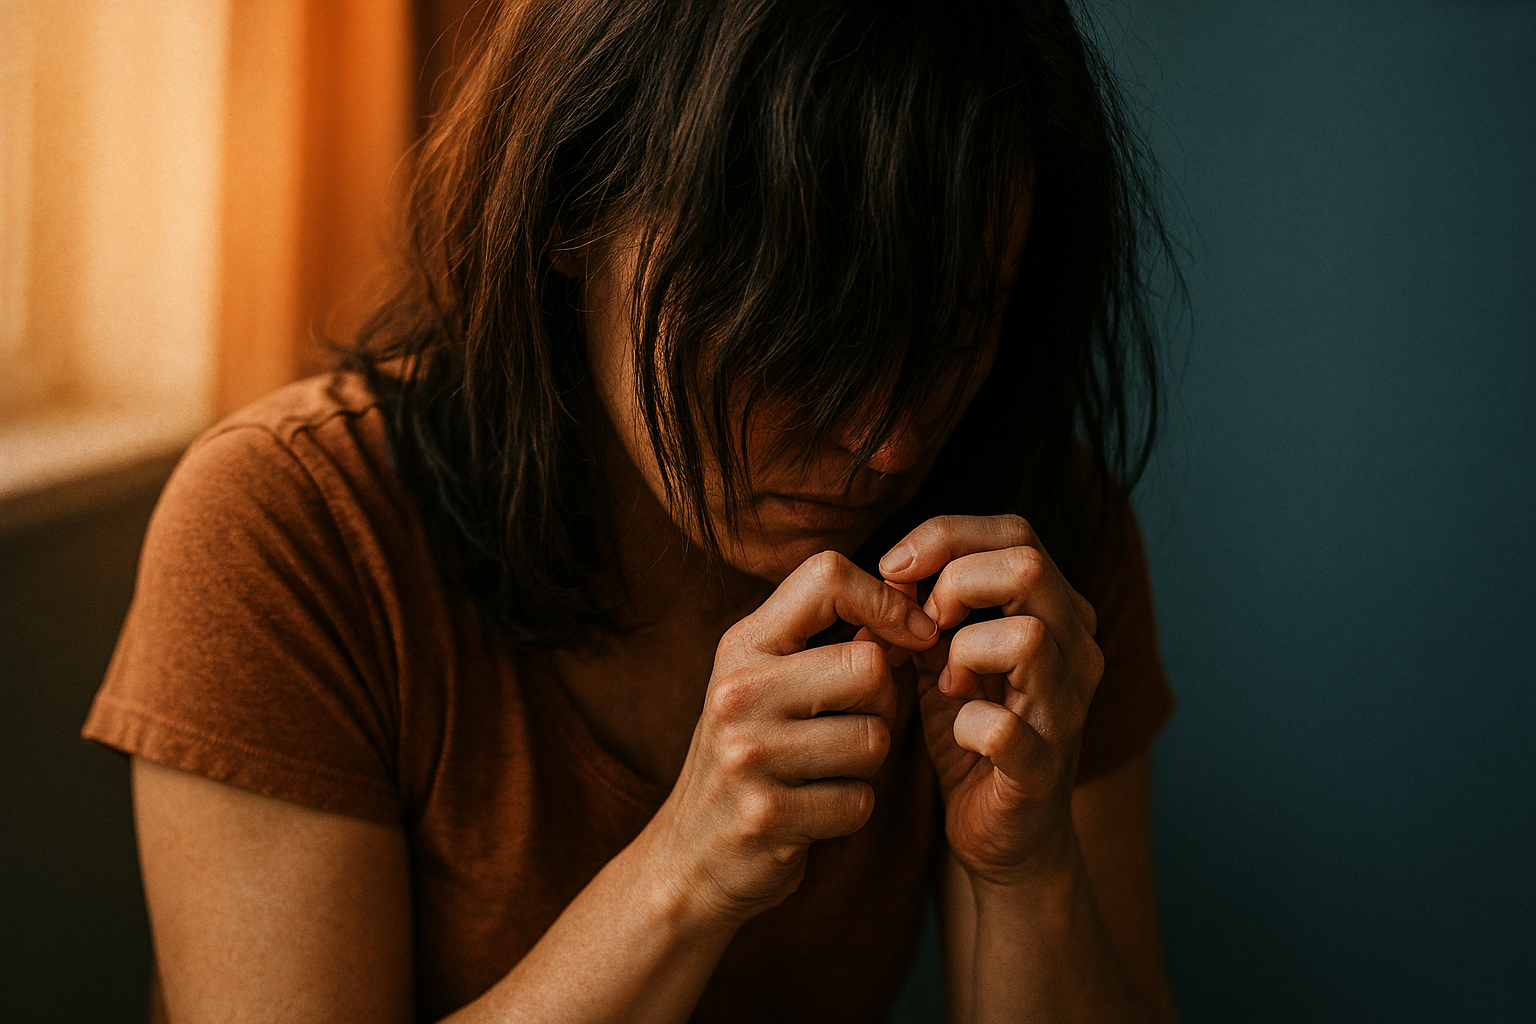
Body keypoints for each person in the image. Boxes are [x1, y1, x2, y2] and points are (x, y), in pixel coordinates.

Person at [84, 0, 1183, 1020]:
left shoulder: (1027, 548)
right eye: (799, 337)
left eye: (950, 331)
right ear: (575, 211)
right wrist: (684, 872)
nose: (887, 441)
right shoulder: (293, 532)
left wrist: (1029, 871)